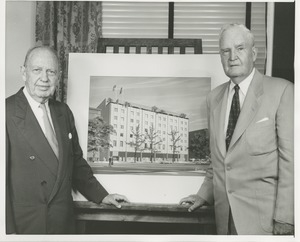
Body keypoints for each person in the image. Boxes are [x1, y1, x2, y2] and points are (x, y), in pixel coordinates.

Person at [180, 23, 294, 235]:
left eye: (240, 48)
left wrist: (287, 218)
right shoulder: (213, 99)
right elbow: (219, 162)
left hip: (267, 224)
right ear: (221, 57)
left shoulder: (283, 91)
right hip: (224, 221)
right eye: (225, 51)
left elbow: (292, 164)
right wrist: (202, 195)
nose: (232, 56)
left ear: (254, 53)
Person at [6, 46, 129, 234]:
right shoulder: (6, 112)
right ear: (24, 73)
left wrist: (102, 195)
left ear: (59, 76)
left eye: (51, 72)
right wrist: (7, 231)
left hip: (62, 221)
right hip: (25, 225)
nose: (44, 78)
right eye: (37, 70)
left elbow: (75, 162)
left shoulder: (63, 111)